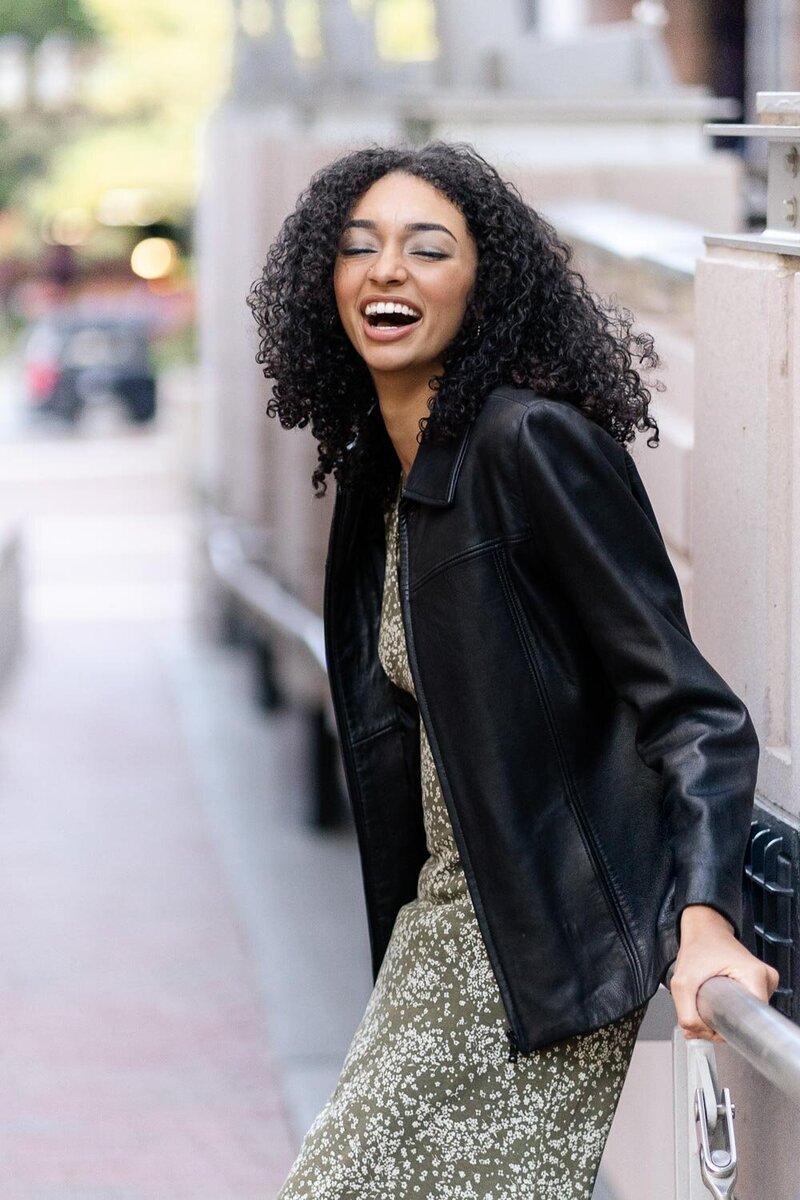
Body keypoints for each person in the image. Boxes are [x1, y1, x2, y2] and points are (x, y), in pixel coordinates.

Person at [247, 142, 778, 1199]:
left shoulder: (529, 444)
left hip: (538, 946)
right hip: (440, 929)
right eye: (357, 248)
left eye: (425, 248)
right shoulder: (379, 476)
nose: (385, 271)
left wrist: (706, 922)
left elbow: (691, 709)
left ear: (482, 284)